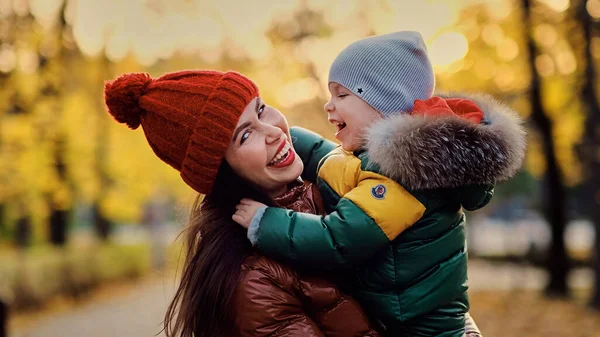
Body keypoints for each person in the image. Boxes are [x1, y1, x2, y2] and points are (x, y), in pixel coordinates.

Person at [104, 69, 483, 337]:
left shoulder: (334, 190)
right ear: (222, 174)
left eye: (261, 108)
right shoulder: (254, 281)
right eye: (244, 136)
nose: (272, 132)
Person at [233, 32, 526, 336]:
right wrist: (287, 138)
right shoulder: (379, 160)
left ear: (380, 103)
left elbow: (339, 239)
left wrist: (265, 223)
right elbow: (332, 163)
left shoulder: (407, 179)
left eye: (341, 95)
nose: (328, 106)